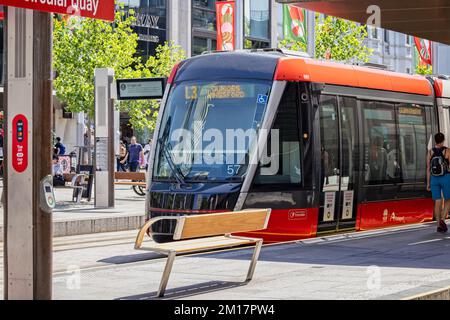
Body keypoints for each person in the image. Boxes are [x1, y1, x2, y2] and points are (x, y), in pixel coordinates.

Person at [427, 132, 450, 233]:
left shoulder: (430, 152)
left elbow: (428, 168)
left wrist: (428, 183)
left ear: (435, 140)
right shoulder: (447, 151)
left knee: (437, 201)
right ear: (443, 140)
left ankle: (438, 225)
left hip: (434, 179)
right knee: (448, 199)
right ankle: (442, 220)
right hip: (445, 177)